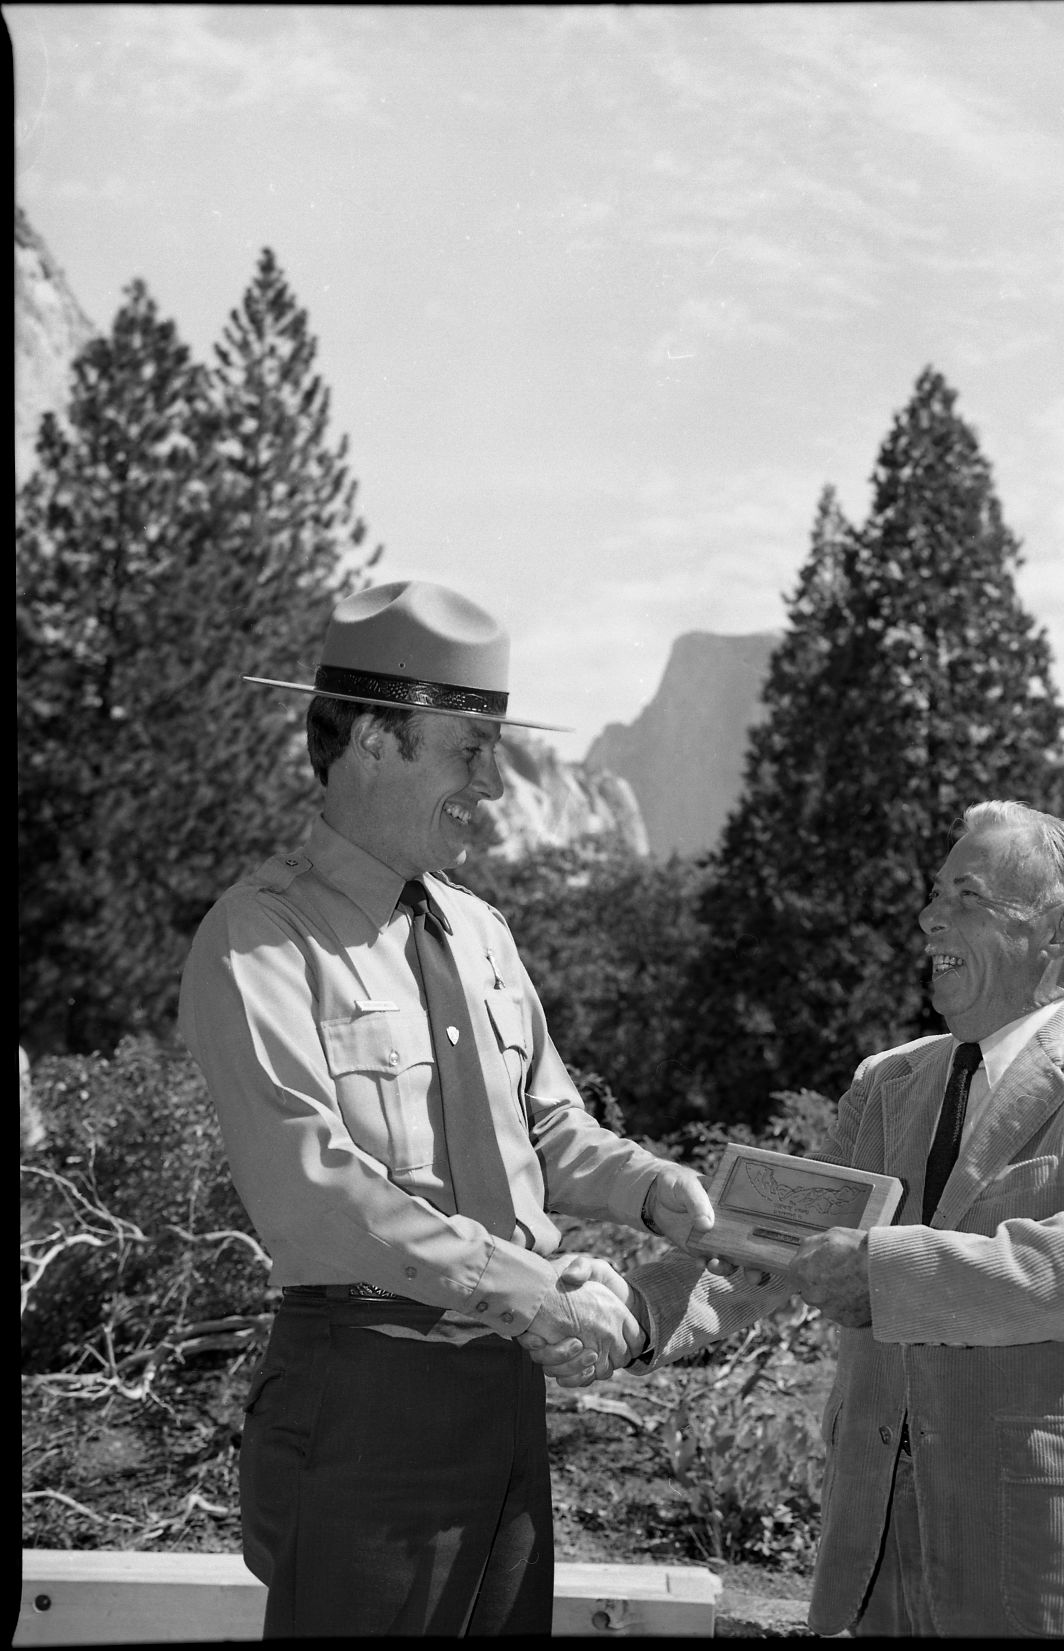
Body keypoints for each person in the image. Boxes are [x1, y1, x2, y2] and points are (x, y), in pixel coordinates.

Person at [178, 579, 712, 1639]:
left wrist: (656, 1191)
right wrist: (536, 1291)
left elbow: (549, 1129)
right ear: (374, 739)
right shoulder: (260, 939)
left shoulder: (481, 934)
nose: (498, 784)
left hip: (509, 1399)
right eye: (471, 749)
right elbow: (314, 1193)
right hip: (367, 1396)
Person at [535, 799, 1064, 1640]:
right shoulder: (888, 1081)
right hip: (875, 1549)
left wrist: (883, 1269)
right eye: (934, 892)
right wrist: (630, 1310)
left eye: (967, 894)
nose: (929, 915)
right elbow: (761, 1241)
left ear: (1060, 930)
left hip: (1038, 1555)